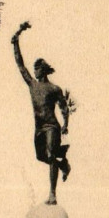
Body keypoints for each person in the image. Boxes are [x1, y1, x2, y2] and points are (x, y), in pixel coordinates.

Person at [12, 22, 71, 205]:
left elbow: (63, 107)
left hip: (52, 126)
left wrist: (66, 125)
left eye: (36, 69)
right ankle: (63, 165)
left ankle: (52, 194)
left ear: (42, 70)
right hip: (39, 127)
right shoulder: (32, 85)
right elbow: (20, 65)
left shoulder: (54, 88)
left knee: (51, 155)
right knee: (40, 156)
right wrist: (16, 41)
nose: (34, 71)